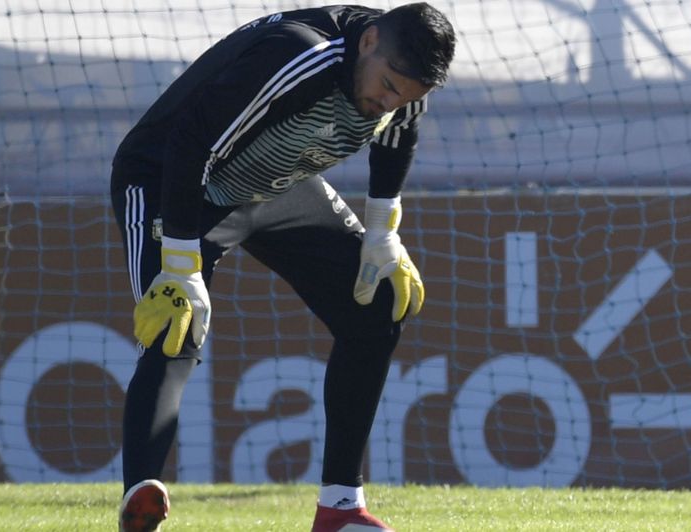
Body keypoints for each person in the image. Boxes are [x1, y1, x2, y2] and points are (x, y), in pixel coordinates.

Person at [109, 3, 455, 531]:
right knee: (175, 323)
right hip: (171, 180)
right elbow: (188, 142)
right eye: (388, 85)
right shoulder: (300, 54)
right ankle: (141, 501)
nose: (390, 102)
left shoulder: (402, 80)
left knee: (378, 301)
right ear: (368, 43)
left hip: (272, 183)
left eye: (406, 96)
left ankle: (339, 510)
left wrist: (383, 232)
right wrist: (180, 265)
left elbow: (396, 135)